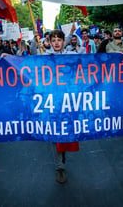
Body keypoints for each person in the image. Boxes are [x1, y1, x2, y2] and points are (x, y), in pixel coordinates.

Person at [43, 29, 79, 184]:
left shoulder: (71, 56)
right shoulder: (44, 58)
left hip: (69, 102)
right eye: (53, 40)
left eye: (59, 39)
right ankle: (60, 168)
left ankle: (62, 158)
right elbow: (24, 64)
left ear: (64, 42)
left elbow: (95, 61)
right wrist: (8, 57)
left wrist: (118, 56)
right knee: (55, 135)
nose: (56, 42)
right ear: (50, 43)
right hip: (52, 102)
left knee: (66, 133)